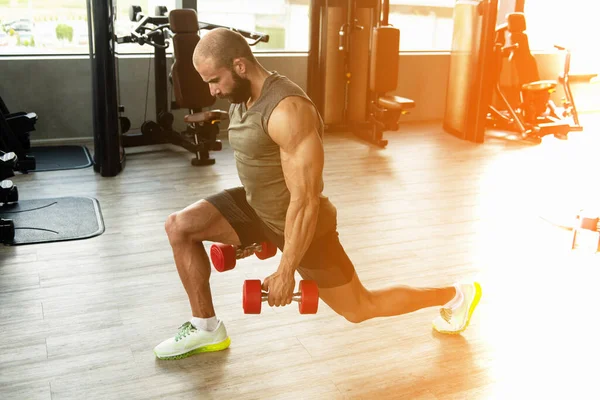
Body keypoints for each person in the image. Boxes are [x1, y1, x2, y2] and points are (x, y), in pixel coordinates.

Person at [153, 28, 482, 360]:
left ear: (239, 65)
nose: (212, 90)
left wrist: (286, 269)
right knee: (179, 226)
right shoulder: (240, 96)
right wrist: (220, 116)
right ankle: (206, 328)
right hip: (256, 206)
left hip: (301, 223)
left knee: (360, 308)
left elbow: (306, 200)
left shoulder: (289, 111)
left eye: (215, 80)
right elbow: (259, 133)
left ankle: (456, 294)